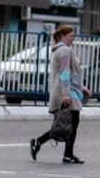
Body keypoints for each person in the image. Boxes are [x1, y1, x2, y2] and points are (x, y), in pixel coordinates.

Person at [29, 25, 91, 165]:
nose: (73, 39)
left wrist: (82, 87)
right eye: (70, 36)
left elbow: (73, 73)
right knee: (70, 123)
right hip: (67, 92)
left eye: (74, 36)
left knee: (65, 124)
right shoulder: (64, 51)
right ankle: (66, 154)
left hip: (71, 90)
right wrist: (66, 94)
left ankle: (39, 143)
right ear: (63, 36)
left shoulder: (64, 50)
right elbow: (65, 73)